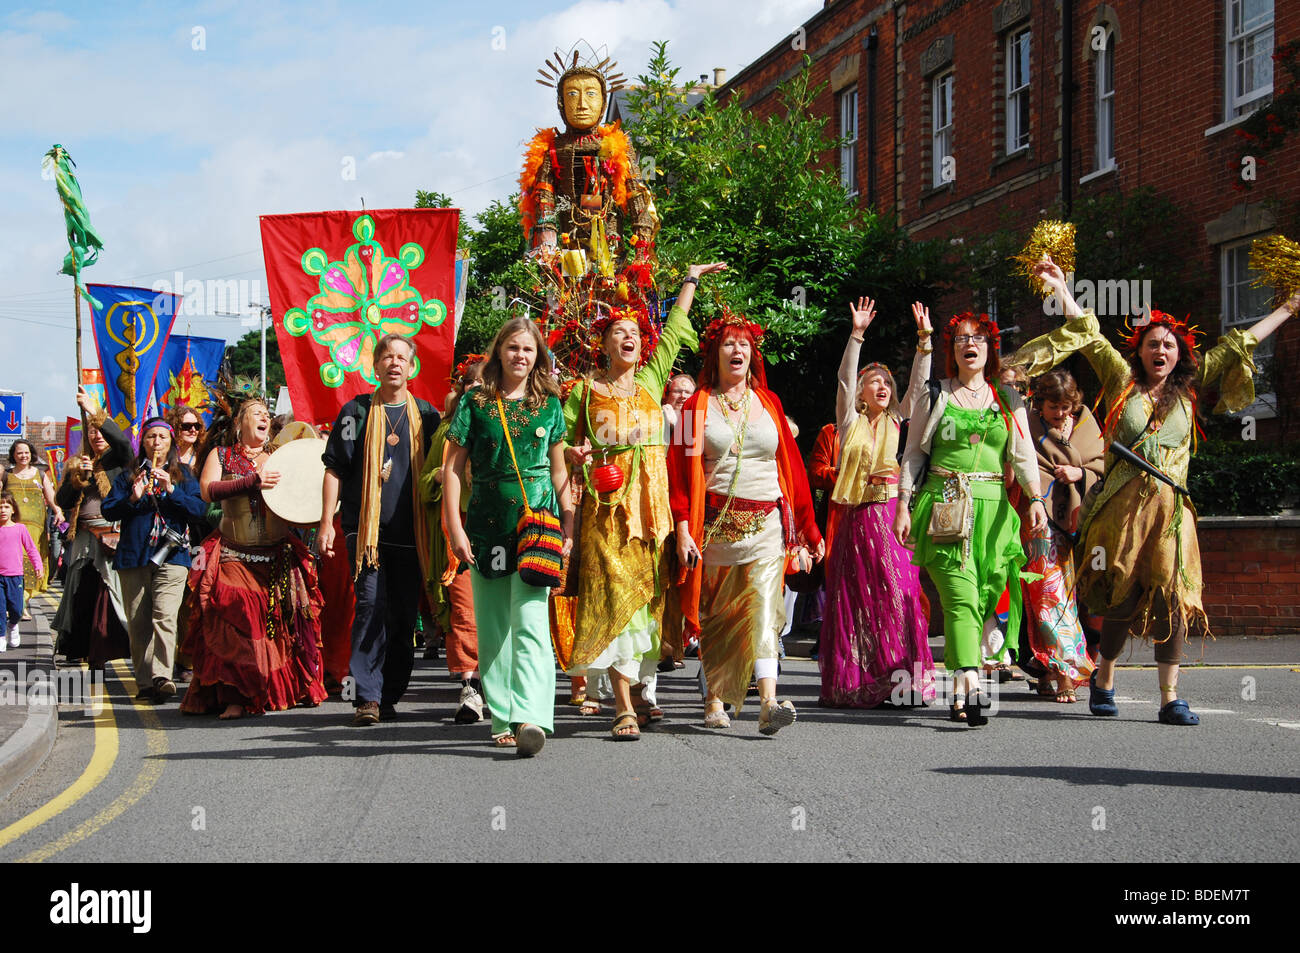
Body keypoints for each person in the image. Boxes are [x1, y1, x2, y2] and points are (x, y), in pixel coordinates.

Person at [1015, 258, 1298, 725]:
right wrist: (1062, 288)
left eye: (1168, 345)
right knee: (1121, 600)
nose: (1160, 350)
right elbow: (1087, 331)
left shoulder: (1191, 388)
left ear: (1179, 353)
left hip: (1172, 511)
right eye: (1152, 345)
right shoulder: (1120, 382)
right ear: (1140, 352)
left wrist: (1289, 306)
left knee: (1173, 597)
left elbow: (1240, 342)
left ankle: (1170, 696)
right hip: (1123, 510)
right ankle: (1104, 674)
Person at [564, 263, 723, 740]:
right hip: (607, 511)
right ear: (604, 343)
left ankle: (638, 692)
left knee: (648, 606)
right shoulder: (585, 391)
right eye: (618, 331)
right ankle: (623, 705)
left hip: (653, 516)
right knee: (614, 598)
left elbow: (674, 329)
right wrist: (574, 454)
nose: (628, 337)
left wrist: (690, 280)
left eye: (634, 331)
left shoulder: (654, 382)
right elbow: (559, 439)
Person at [669, 307, 823, 734]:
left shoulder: (769, 403)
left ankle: (769, 703)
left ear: (753, 354)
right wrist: (683, 526)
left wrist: (807, 531)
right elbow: (678, 470)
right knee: (718, 615)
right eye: (728, 343)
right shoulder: (694, 408)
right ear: (715, 354)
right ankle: (714, 698)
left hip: (767, 523)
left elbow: (790, 468)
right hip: (715, 524)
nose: (737, 350)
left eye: (744, 344)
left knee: (762, 612)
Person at [895, 311, 1048, 726]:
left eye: (978, 338)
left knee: (984, 597)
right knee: (959, 596)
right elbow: (913, 453)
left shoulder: (1008, 398)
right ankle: (972, 682)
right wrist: (903, 503)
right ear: (953, 350)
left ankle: (960, 692)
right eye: (962, 338)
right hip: (945, 501)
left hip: (996, 510)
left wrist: (1035, 498)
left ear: (989, 348)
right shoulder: (935, 394)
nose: (970, 344)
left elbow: (1023, 454)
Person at [443, 317, 574, 756]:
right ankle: (503, 716)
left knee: (533, 622)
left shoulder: (550, 405)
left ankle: (533, 716)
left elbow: (559, 471)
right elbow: (452, 470)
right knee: (495, 625)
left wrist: (569, 523)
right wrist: (455, 527)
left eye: (529, 350)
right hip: (486, 526)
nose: (521, 355)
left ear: (539, 356)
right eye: (514, 348)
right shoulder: (475, 402)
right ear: (499, 351)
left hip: (537, 525)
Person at [820, 299, 935, 708]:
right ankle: (861, 680)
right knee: (858, 597)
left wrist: (925, 342)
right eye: (875, 382)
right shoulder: (849, 422)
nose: (883, 386)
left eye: (887, 382)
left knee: (899, 591)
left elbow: (920, 388)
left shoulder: (898, 421)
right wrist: (856, 335)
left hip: (891, 513)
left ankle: (902, 679)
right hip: (856, 518)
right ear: (863, 394)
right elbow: (845, 381)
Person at [320, 334, 439, 726]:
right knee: (370, 607)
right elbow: (335, 469)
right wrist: (326, 524)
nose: (394, 363)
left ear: (411, 366)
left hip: (412, 534)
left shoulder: (428, 416)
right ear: (375, 367)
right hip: (364, 534)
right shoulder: (354, 412)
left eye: (401, 358)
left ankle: (389, 693)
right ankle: (367, 698)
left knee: (404, 618)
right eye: (386, 357)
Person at [182, 399, 326, 718]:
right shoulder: (221, 455)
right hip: (234, 554)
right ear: (239, 424)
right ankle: (237, 694)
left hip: (276, 555)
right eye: (255, 413)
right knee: (241, 619)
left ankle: (278, 688)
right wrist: (252, 482)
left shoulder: (279, 457)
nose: (264, 417)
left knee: (276, 625)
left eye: (266, 414)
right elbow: (207, 490)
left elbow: (306, 492)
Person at [101, 417, 206, 702]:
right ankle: (145, 682)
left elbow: (199, 510)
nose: (156, 442)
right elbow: (108, 510)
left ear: (171, 442)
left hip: (172, 556)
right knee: (139, 622)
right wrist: (132, 499)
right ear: (143, 442)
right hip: (134, 556)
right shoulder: (128, 475)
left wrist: (171, 490)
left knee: (165, 615)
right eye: (151, 437)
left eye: (162, 436)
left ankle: (162, 675)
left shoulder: (183, 475)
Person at [1017, 368, 1104, 702]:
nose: (1060, 413)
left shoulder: (1085, 423)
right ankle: (1064, 672)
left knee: (1067, 596)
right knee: (1047, 596)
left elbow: (1103, 464)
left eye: (1066, 406)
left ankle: (1046, 668)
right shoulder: (1028, 421)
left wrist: (1078, 472)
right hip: (1038, 519)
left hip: (1080, 522)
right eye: (1053, 407)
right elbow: (1023, 463)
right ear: (1040, 403)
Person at [420, 354, 485, 723]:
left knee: (501, 613)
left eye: (484, 386)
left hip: (499, 531)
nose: (477, 393)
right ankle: (469, 688)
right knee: (464, 610)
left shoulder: (507, 424)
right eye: (471, 387)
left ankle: (504, 687)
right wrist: (442, 480)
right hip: (456, 534)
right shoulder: (447, 433)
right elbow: (426, 480)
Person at [52, 388, 132, 670]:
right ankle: (80, 648)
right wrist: (77, 480)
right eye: (91, 432)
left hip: (111, 537)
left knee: (108, 594)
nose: (96, 435)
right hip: (84, 538)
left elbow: (123, 445)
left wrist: (93, 410)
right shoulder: (78, 463)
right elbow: (63, 501)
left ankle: (105, 650)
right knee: (80, 592)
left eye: (100, 431)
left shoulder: (120, 461)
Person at [3, 440, 62, 613]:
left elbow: (51, 498)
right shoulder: (6, 475)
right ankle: (16, 600)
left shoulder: (40, 474)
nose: (23, 456)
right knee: (16, 563)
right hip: (12, 529)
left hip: (36, 530)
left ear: (31, 454)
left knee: (32, 562)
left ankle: (23, 601)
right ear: (13, 455)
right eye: (19, 453)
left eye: (26, 452)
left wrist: (58, 511)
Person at [0, 492, 42, 650]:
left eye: (6, 506)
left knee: (17, 609)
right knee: (0, 609)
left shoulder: (20, 529)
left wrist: (38, 566)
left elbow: (31, 549)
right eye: (0, 507)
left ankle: (12, 626)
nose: (3, 510)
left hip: (15, 577)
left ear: (13, 510)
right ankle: (1, 637)